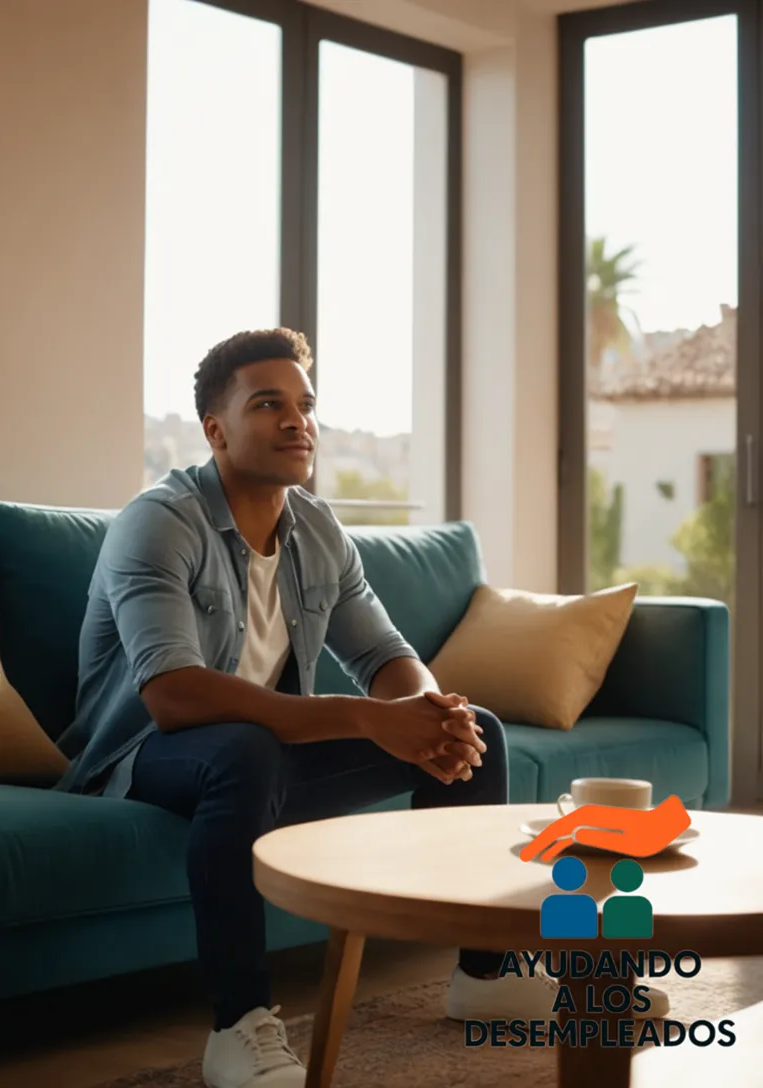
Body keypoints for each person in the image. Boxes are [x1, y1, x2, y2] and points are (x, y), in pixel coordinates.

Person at [54, 328, 582, 1086]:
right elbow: (173, 695)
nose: (296, 420)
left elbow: (383, 656)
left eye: (305, 405)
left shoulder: (316, 528)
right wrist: (370, 719)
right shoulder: (162, 520)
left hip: (258, 754)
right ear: (216, 429)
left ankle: (486, 976)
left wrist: (434, 715)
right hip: (142, 756)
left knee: (481, 736)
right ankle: (238, 1023)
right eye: (268, 404)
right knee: (244, 748)